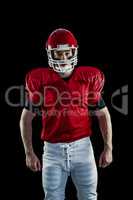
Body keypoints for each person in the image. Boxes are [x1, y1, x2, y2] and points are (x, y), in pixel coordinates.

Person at [20, 28, 113, 200]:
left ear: (74, 51)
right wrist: (29, 152)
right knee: (53, 197)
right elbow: (25, 119)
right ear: (50, 54)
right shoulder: (40, 81)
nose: (63, 58)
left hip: (83, 148)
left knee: (89, 196)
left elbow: (103, 115)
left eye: (67, 53)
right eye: (58, 54)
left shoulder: (88, 78)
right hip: (52, 150)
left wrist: (108, 147)